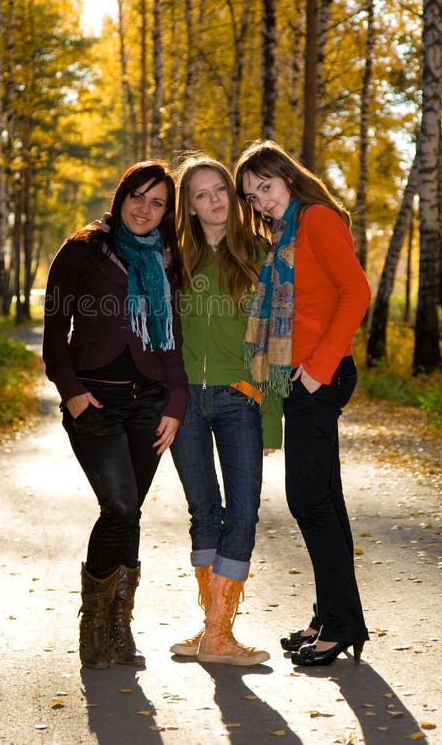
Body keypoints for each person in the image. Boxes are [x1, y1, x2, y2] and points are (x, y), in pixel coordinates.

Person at [42, 161, 189, 670]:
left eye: (157, 202)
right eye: (138, 196)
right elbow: (55, 329)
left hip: (149, 403)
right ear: (121, 194)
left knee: (131, 513)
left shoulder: (168, 260)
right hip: (96, 403)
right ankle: (93, 624)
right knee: (121, 508)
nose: (145, 209)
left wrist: (176, 403)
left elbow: (170, 340)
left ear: (166, 212)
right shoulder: (85, 249)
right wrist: (73, 393)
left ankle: (119, 627)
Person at [234, 140, 371, 667]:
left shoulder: (315, 218)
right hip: (302, 375)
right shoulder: (284, 233)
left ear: (288, 177)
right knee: (323, 501)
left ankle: (338, 625)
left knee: (309, 500)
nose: (261, 201)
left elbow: (355, 292)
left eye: (265, 187)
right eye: (252, 195)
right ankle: (335, 617)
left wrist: (316, 371)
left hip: (320, 373)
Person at [169, 155, 282, 666]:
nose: (213, 200)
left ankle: (218, 632)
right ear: (188, 206)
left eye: (220, 190)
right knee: (203, 512)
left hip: (241, 396)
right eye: (201, 193)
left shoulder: (261, 254)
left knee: (242, 511)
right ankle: (212, 632)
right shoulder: (176, 259)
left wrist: (271, 409)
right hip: (186, 399)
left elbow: (280, 335)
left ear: (234, 199)